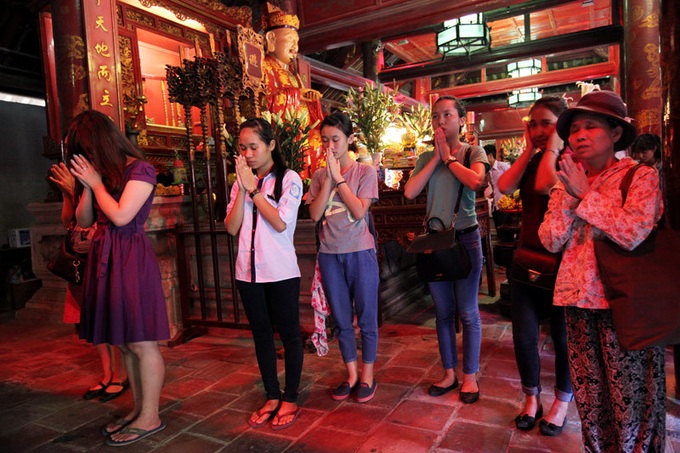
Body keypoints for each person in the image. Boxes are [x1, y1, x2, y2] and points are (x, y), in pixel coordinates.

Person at [538, 90, 665, 451]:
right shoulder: (568, 181)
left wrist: (585, 197)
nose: (579, 135)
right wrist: (570, 194)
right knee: (591, 400)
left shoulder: (638, 177)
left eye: (590, 127)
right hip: (577, 304)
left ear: (615, 133)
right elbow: (550, 239)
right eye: (574, 129)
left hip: (623, 307)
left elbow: (633, 233)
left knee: (631, 402)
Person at [66, 110, 170, 446]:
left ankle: (151, 416)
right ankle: (139, 410)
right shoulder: (106, 176)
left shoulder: (140, 169)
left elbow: (123, 217)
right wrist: (86, 186)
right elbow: (84, 220)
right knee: (124, 340)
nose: (88, 159)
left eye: (89, 151)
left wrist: (96, 183)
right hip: (105, 256)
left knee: (141, 340)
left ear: (102, 143)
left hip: (129, 257)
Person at [403, 95, 488, 403]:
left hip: (465, 238)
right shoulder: (426, 158)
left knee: (467, 311)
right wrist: (437, 158)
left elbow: (477, 182)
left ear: (461, 120)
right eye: (436, 116)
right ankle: (449, 373)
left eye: (447, 115)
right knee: (442, 312)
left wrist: (450, 159)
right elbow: (411, 192)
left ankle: (470, 376)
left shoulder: (472, 151)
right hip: (435, 240)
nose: (440, 121)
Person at [497, 96, 573, 436]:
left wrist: (554, 146)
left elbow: (545, 185)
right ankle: (531, 399)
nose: (539, 130)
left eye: (547, 123)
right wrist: (529, 149)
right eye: (533, 123)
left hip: (563, 264)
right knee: (524, 337)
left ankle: (561, 402)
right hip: (527, 258)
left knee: (562, 339)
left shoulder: (570, 158)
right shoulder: (535, 157)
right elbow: (504, 186)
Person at [225, 117, 304, 429]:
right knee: (261, 336)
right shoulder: (240, 183)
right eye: (242, 148)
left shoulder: (289, 179)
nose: (247, 154)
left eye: (253, 147)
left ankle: (291, 396)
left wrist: (254, 189)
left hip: (281, 271)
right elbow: (232, 228)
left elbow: (281, 223)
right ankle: (272, 394)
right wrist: (243, 189)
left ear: (271, 145)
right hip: (248, 272)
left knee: (289, 334)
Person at [307, 112, 380, 403]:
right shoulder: (318, 175)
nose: (330, 147)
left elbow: (360, 211)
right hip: (329, 255)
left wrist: (339, 179)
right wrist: (328, 178)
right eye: (324, 140)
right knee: (341, 319)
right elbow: (314, 215)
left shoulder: (365, 172)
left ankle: (368, 375)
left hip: (360, 252)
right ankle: (351, 374)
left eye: (335, 140)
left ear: (349, 139)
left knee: (367, 316)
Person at [49, 163, 129, 403]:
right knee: (91, 318)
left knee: (111, 317)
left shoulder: (110, 178)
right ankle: (107, 373)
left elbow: (112, 218)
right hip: (80, 263)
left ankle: (121, 375)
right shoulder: (78, 182)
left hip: (104, 256)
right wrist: (69, 192)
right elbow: (69, 221)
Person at [262, 4, 323, 168]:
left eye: (297, 41)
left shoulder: (293, 74)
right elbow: (264, 102)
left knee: (319, 140)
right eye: (290, 40)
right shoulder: (264, 66)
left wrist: (310, 99)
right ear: (271, 39)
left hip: (300, 133)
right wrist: (296, 94)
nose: (295, 46)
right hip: (282, 134)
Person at [483, 144, 511, 229]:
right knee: (499, 230)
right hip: (495, 206)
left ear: (490, 156)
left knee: (507, 232)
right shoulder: (487, 171)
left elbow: (513, 180)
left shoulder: (502, 166)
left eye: (484, 156)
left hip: (506, 206)